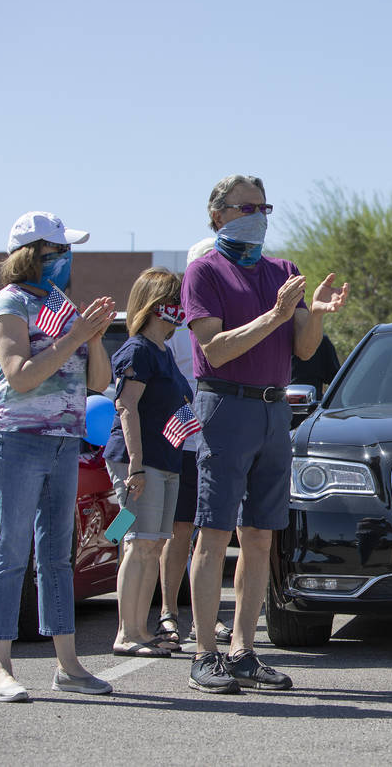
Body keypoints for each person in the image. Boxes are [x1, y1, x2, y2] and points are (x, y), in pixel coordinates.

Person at [181, 174, 348, 694]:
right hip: (224, 406)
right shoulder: (203, 272)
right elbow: (216, 350)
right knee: (213, 533)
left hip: (275, 411)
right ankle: (206, 653)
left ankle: (245, 651)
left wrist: (312, 316)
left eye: (264, 206)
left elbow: (302, 349)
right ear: (218, 215)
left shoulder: (284, 271)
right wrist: (274, 314)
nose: (258, 214)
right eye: (246, 206)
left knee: (260, 536)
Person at [0, 211, 117, 701]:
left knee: (58, 556)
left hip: (64, 439)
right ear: (33, 254)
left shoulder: (61, 304)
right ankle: (1, 668)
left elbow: (97, 382)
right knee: (11, 552)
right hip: (17, 439)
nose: (65, 260)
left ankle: (68, 665)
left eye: (66, 252)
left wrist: (95, 338)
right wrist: (75, 337)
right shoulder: (9, 303)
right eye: (59, 252)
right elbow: (18, 375)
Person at [102, 267, 194, 657]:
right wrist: (136, 465)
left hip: (166, 461)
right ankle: (129, 633)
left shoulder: (164, 351)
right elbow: (126, 407)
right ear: (157, 305)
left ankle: (139, 629)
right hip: (139, 463)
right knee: (137, 544)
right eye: (174, 301)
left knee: (150, 544)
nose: (181, 310)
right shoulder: (138, 349)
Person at [154, 237, 232, 650]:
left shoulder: (228, 319)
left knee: (213, 531)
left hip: (220, 440)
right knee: (178, 529)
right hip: (181, 444)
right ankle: (168, 612)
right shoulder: (174, 325)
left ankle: (211, 613)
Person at [290, 332, 341, 399]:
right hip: (278, 402)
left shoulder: (320, 341)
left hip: (314, 405)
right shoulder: (276, 341)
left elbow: (337, 382)